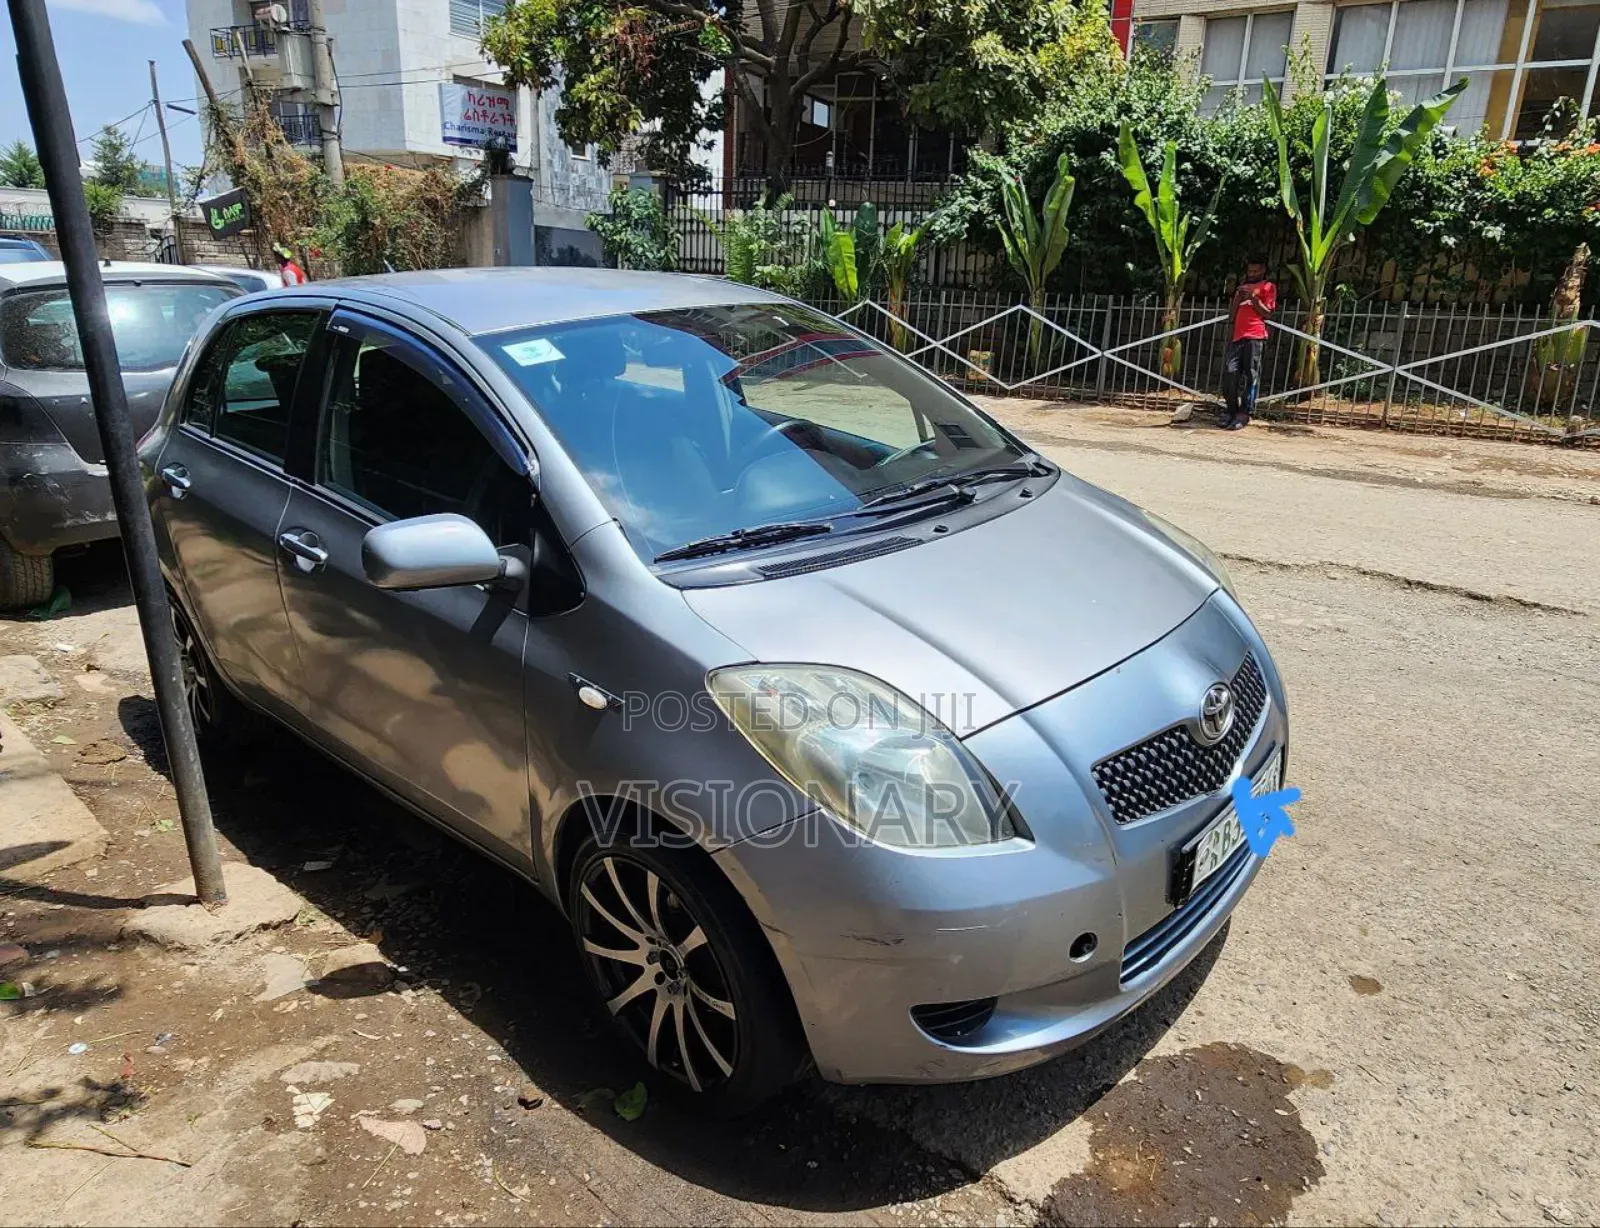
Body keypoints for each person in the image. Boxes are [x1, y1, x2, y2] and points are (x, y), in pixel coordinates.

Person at [1223, 254, 1276, 430]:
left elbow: (1267, 313)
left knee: (1251, 375)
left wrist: (1253, 298)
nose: (1252, 274)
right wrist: (1238, 297)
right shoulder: (1243, 288)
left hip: (1255, 336)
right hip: (1238, 337)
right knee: (1231, 373)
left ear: (1263, 271)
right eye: (1249, 271)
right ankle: (1231, 410)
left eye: (1255, 271)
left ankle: (1245, 413)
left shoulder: (1268, 287)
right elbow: (1232, 316)